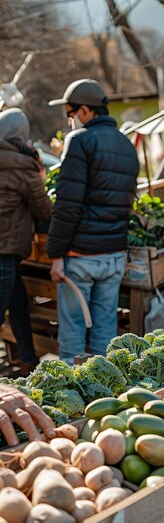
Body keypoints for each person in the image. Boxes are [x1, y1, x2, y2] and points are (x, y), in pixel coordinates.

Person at [46, 79, 139, 364]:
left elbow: (67, 204)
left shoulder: (80, 141)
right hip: (113, 254)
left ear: (86, 110)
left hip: (81, 256)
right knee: (105, 331)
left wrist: (56, 254)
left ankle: (70, 397)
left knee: (73, 332)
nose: (70, 120)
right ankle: (104, 395)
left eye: (71, 113)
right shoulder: (126, 144)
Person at [0, 108, 52, 375]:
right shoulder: (22, 164)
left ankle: (28, 360)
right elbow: (44, 210)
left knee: (17, 303)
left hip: (6, 253)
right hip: (5, 251)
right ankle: (27, 361)